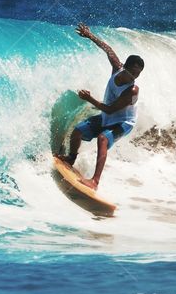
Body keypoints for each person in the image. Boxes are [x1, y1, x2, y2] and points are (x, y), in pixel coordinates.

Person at [57, 22, 143, 189]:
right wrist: (89, 35)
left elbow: (110, 109)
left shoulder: (132, 90)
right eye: (132, 72)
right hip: (108, 116)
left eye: (138, 74)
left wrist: (89, 99)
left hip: (124, 122)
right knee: (78, 132)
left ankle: (95, 181)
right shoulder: (116, 68)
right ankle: (71, 158)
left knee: (103, 139)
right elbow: (108, 49)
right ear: (124, 66)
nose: (134, 76)